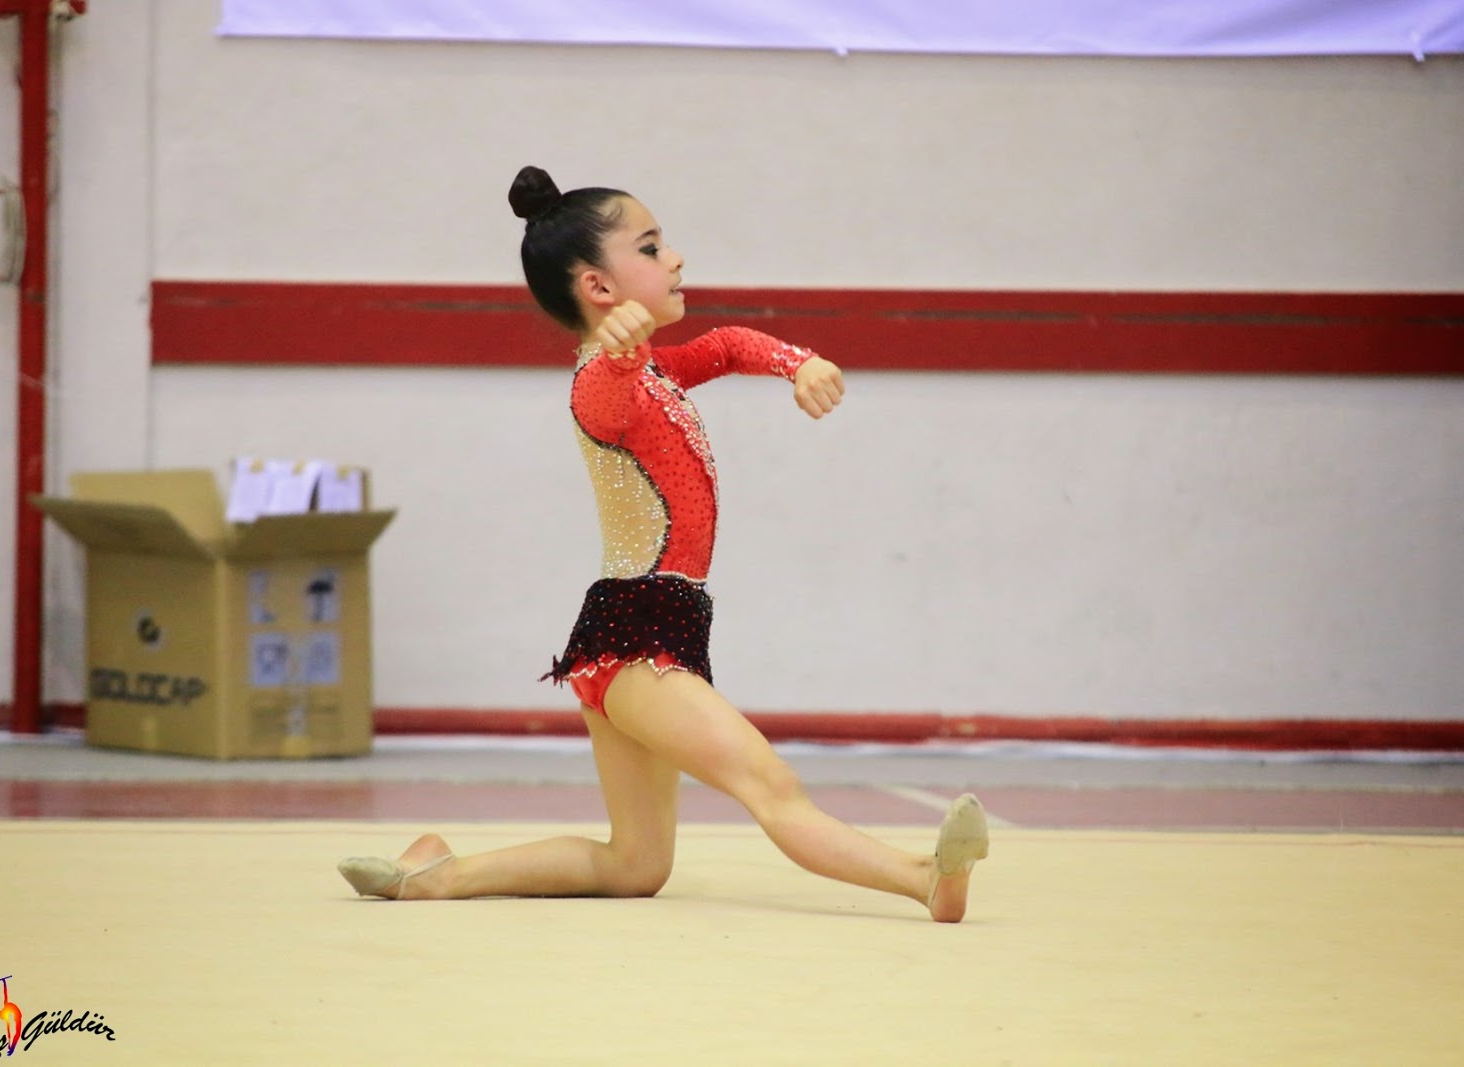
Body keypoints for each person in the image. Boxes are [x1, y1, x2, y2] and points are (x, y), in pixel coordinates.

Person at [338, 166, 989, 921]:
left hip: (641, 635)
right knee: (769, 785)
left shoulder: (657, 371)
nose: (675, 257)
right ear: (598, 287)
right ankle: (924, 878)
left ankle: (438, 872)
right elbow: (606, 395)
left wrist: (797, 361)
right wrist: (617, 348)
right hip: (635, 640)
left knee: (636, 863)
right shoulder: (601, 383)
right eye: (650, 247)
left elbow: (728, 345)